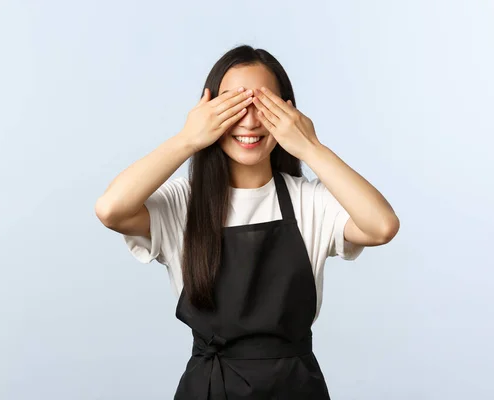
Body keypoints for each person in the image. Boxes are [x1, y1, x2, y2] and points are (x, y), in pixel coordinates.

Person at [95, 44, 400, 399]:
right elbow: (110, 209)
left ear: (287, 113)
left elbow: (382, 226)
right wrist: (186, 140)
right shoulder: (183, 203)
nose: (250, 121)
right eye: (234, 105)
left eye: (263, 105)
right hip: (209, 388)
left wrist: (310, 146)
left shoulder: (310, 202)